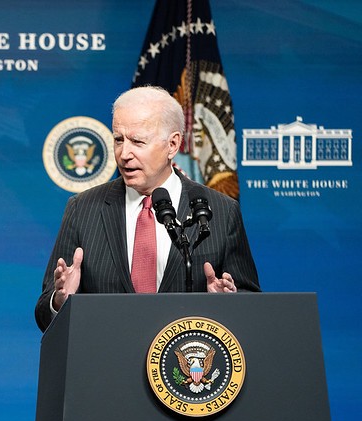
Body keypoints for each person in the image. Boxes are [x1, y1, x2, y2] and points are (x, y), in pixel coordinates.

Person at [35, 86, 260, 331]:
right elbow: (44, 314)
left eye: (137, 141)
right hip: (105, 363)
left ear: (172, 145)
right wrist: (60, 301)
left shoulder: (220, 211)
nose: (124, 154)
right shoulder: (83, 209)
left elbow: (251, 307)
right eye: (119, 140)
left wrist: (228, 304)